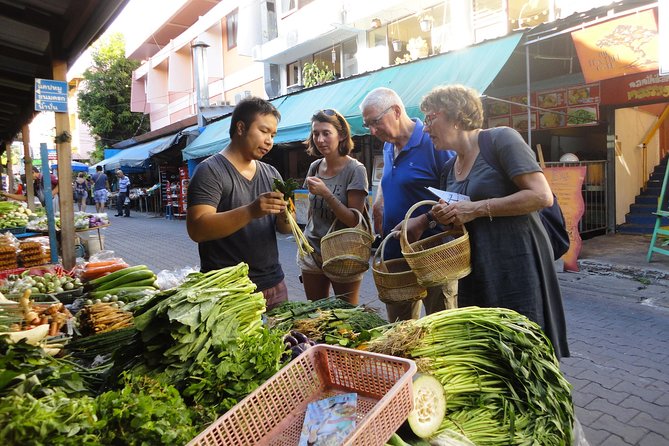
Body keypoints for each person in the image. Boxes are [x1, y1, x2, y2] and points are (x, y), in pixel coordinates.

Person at [413, 84, 569, 359]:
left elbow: (541, 195)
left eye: (430, 118)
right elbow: (464, 221)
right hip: (478, 270)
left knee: (526, 349)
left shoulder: (500, 140)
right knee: (490, 351)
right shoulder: (449, 168)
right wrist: (446, 217)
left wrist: (475, 209)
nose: (426, 129)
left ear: (456, 115)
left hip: (518, 265)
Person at [186, 97, 293, 310]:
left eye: (273, 135)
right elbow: (197, 229)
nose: (269, 141)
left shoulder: (272, 174)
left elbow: (285, 228)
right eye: (263, 131)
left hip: (274, 285)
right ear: (241, 128)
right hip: (229, 291)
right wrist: (251, 210)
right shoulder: (210, 171)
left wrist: (284, 216)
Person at [359, 87, 454, 322]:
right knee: (400, 329)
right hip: (396, 253)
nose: (372, 131)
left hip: (433, 252)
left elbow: (455, 196)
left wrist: (425, 220)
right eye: (367, 125)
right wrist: (379, 200)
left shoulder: (433, 141)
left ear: (396, 111)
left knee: (439, 324)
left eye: (375, 122)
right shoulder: (388, 145)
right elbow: (390, 177)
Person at [300, 109, 369, 305]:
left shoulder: (355, 170)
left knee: (346, 315)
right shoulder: (314, 167)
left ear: (342, 135)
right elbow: (313, 211)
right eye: (315, 133)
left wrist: (327, 194)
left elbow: (353, 220)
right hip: (312, 250)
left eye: (326, 133)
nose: (320, 139)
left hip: (343, 252)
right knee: (315, 313)